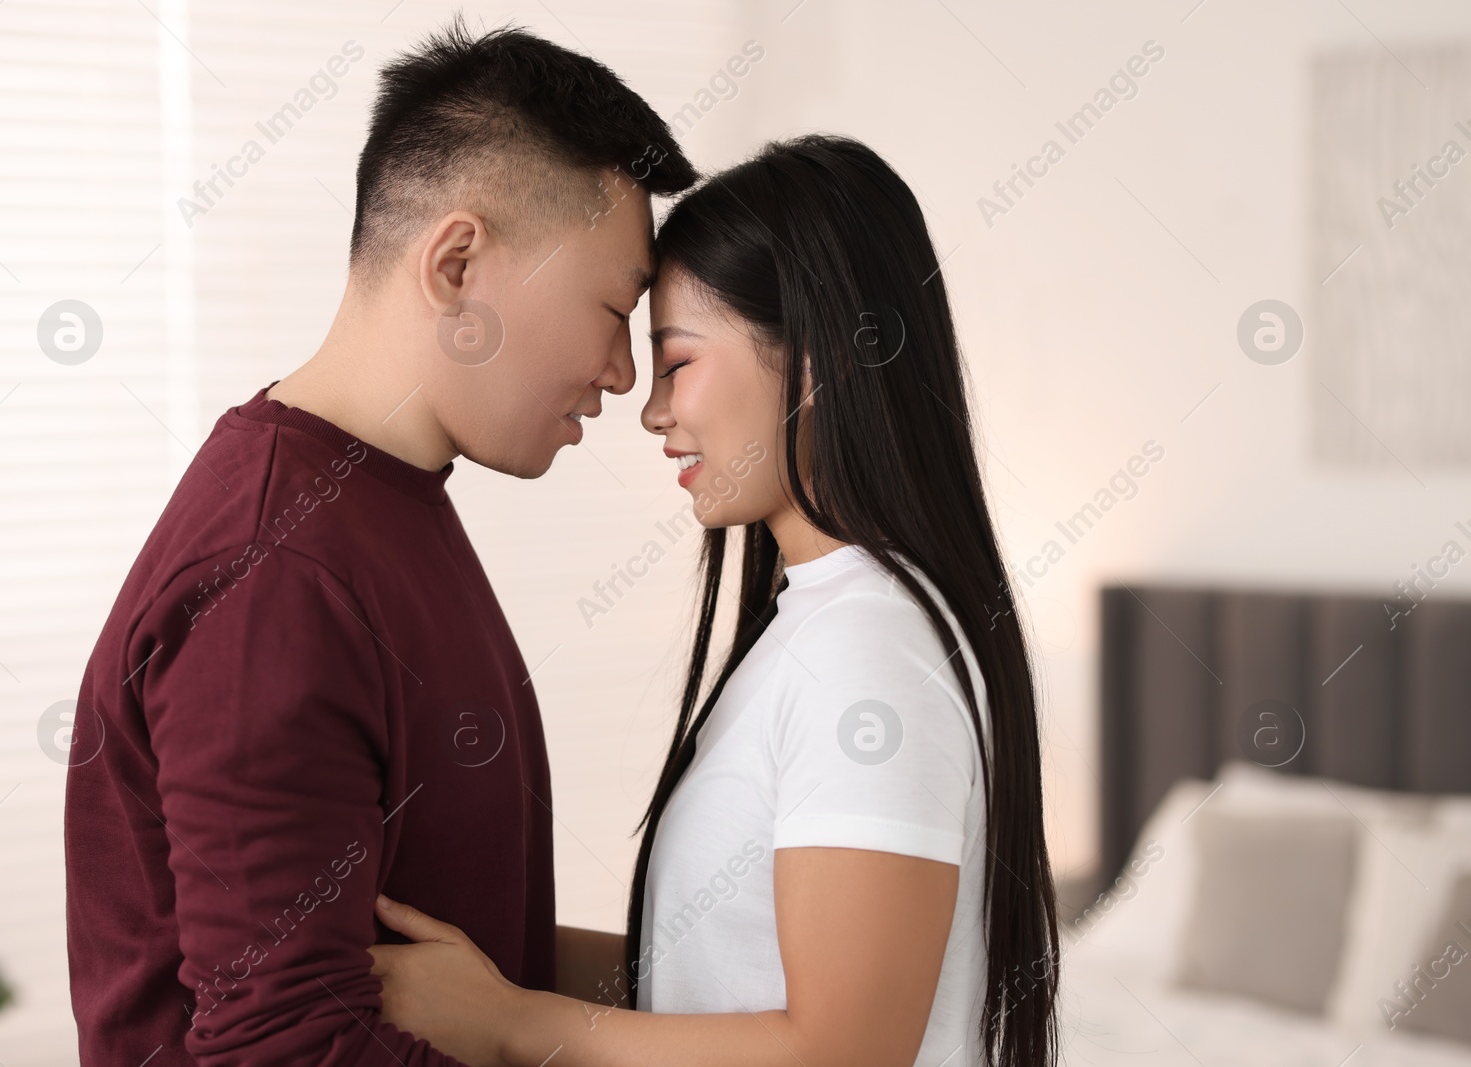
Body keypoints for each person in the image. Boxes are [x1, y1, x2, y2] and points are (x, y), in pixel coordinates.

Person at [62, 18, 695, 1064]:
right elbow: (285, 1049)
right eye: (611, 308)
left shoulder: (374, 498)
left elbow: (468, 950)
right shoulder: (274, 575)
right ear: (455, 264)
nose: (624, 374)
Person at [364, 134, 1062, 1067]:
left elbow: (842, 1051)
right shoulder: (823, 622)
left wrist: (508, 1024)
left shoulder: (869, 649)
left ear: (817, 361)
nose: (650, 411)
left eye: (677, 361)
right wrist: (486, 974)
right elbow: (707, 977)